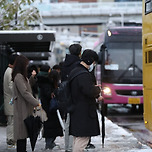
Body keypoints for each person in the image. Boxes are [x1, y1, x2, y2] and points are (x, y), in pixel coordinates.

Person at [69, 49, 103, 152]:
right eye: (93, 62)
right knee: (82, 139)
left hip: (77, 110)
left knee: (78, 139)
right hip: (83, 111)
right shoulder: (83, 74)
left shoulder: (75, 71)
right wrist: (98, 89)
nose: (93, 64)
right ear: (89, 60)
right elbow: (88, 90)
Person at [12, 55, 40, 152]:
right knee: (21, 134)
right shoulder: (19, 76)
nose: (27, 66)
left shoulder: (20, 76)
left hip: (24, 107)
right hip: (21, 108)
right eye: (26, 64)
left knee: (23, 134)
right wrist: (36, 102)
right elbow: (24, 92)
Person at [61, 43, 82, 152]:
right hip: (75, 96)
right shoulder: (78, 64)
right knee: (74, 122)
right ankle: (72, 147)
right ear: (79, 52)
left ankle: (68, 146)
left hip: (66, 95)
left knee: (68, 122)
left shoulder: (65, 64)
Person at [37, 66, 63, 150]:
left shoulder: (43, 82)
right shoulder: (47, 84)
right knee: (51, 126)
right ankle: (49, 143)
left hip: (48, 108)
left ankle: (50, 143)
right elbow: (49, 94)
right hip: (50, 109)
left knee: (50, 126)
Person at [3, 53, 18, 148]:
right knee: (12, 122)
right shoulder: (11, 72)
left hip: (9, 101)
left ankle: (11, 139)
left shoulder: (8, 71)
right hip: (11, 101)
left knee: (11, 121)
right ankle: (11, 140)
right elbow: (12, 87)